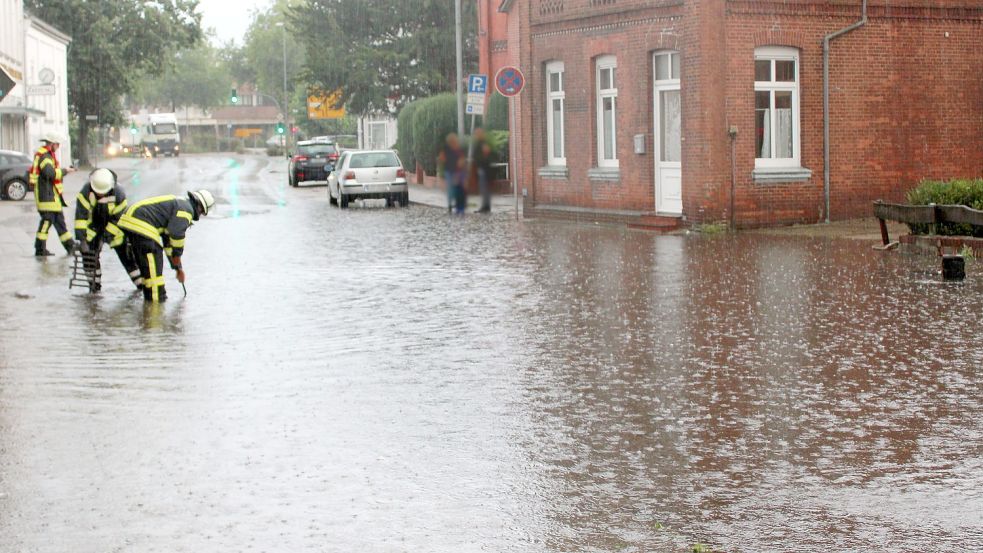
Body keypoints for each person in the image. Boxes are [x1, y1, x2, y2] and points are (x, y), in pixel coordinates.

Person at [117, 190, 215, 302]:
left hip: (133, 223)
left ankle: (148, 309)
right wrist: (178, 255)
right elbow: (177, 234)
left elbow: (168, 243)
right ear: (200, 207)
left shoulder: (179, 204)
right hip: (142, 225)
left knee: (149, 273)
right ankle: (155, 311)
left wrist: (177, 268)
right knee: (155, 278)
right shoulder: (186, 210)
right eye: (202, 212)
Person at [74, 168, 142, 291]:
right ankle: (94, 287)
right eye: (97, 192)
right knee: (89, 258)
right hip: (92, 229)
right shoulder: (85, 192)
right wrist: (82, 240)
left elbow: (118, 219)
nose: (100, 194)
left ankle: (141, 284)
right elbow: (80, 218)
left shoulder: (119, 194)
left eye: (103, 192)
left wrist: (106, 237)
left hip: (114, 230)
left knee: (127, 257)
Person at [29, 131, 76, 256]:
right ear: (52, 144)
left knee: (60, 222)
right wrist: (65, 171)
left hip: (51, 197)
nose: (59, 147)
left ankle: (70, 246)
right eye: (57, 144)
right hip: (46, 197)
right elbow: (49, 173)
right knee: (46, 222)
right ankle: (40, 249)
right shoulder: (45, 157)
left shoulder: (46, 155)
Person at [437, 133, 466, 215]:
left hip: (457, 172)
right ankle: (451, 205)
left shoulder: (459, 149)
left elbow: (462, 160)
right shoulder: (446, 149)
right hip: (449, 172)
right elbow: (441, 159)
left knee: (457, 189)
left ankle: (457, 206)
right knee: (451, 189)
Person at [472, 127, 494, 213]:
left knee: (484, 188)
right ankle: (485, 207)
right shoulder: (480, 142)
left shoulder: (482, 142)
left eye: (476, 134)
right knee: (483, 188)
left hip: (483, 169)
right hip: (482, 168)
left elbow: (486, 151)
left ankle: (485, 207)